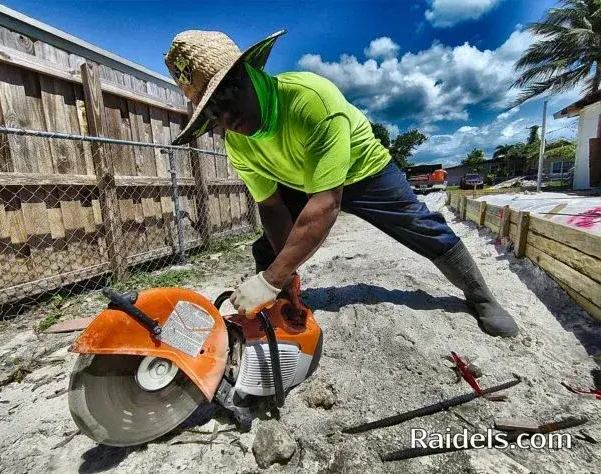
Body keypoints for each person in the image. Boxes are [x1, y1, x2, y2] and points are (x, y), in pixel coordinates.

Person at [165, 29, 519, 337]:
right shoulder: (237, 142)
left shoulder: (310, 101)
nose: (226, 116)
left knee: (420, 225)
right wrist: (280, 276)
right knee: (269, 249)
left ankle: (480, 295)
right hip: (301, 178)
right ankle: (279, 305)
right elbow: (271, 206)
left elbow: (327, 203)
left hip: (362, 170)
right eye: (212, 112)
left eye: (226, 95)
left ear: (249, 74)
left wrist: (270, 279)